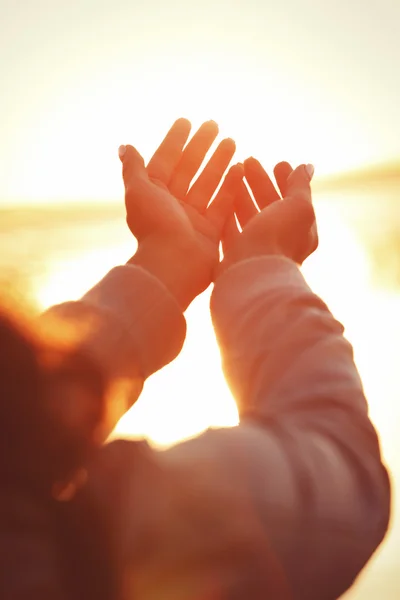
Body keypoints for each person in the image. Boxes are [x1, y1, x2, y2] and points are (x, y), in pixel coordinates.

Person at [0, 118, 390, 600]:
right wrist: (265, 267)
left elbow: (22, 421)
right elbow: (345, 479)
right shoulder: (76, 538)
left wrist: (165, 264)